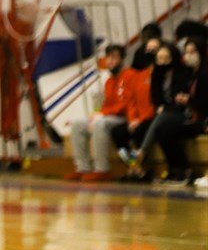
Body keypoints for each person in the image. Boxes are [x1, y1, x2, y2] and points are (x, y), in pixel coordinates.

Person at [141, 40, 207, 185]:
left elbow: (203, 102)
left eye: (192, 52)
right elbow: (156, 97)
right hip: (186, 115)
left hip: (198, 119)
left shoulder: (202, 73)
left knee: (165, 128)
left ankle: (184, 170)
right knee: (161, 130)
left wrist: (187, 100)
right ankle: (177, 170)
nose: (188, 55)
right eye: (187, 52)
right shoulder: (192, 73)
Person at [63, 45, 127, 182]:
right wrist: (97, 114)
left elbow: (126, 104)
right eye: (108, 57)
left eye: (114, 57)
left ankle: (102, 169)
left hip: (125, 117)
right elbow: (107, 105)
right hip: (111, 116)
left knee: (100, 123)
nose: (110, 61)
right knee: (78, 124)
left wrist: (103, 114)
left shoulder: (129, 75)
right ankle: (83, 168)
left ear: (122, 59)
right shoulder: (109, 81)